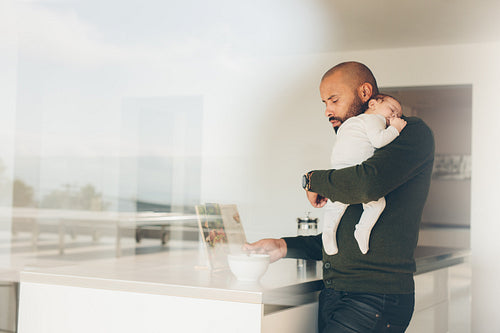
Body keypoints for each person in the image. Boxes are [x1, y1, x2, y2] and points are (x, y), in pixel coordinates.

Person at [244, 61, 435, 333]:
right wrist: (283, 246)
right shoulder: (357, 147)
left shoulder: (409, 131)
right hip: (336, 294)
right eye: (323, 102)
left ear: (365, 92)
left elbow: (368, 184)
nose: (327, 111)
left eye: (333, 100)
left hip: (374, 298)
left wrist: (313, 179)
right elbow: (344, 236)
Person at [322, 94, 407, 255]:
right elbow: (379, 141)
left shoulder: (350, 123)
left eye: (398, 115)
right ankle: (362, 230)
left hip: (339, 168)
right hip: (357, 171)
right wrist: (395, 128)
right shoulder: (375, 119)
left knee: (335, 206)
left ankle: (328, 232)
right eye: (392, 110)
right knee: (377, 203)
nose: (395, 116)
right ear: (373, 104)